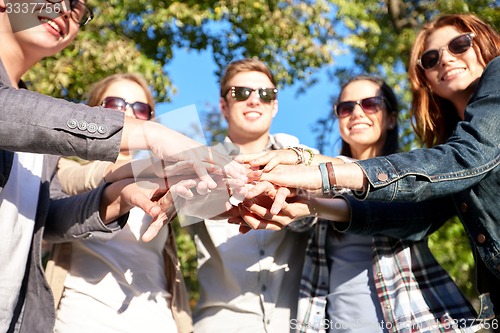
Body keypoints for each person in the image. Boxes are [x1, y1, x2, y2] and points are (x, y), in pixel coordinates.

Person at [0, 3, 244, 332]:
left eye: (78, 9)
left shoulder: (39, 145)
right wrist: (146, 138)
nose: (66, 13)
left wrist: (118, 197)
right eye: (115, 108)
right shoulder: (41, 129)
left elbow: (50, 219)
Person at [243, 13, 500, 318]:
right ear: (425, 80)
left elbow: (469, 153)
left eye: (459, 44)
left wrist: (315, 167)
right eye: (430, 58)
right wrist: (312, 204)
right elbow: (420, 217)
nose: (445, 59)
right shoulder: (443, 150)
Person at [293, 76, 477, 332]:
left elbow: (413, 216)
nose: (356, 113)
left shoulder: (414, 177)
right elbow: (296, 220)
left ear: (391, 118)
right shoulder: (321, 179)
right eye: (346, 108)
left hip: (415, 322)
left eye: (369, 104)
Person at [44, 73, 191, 333]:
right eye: (115, 105)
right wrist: (152, 168)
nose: (129, 115)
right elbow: (86, 176)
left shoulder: (161, 184)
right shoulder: (64, 170)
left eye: (140, 108)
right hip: (80, 322)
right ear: (92, 112)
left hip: (158, 323)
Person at [188, 58, 318, 332]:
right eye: (241, 93)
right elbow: (183, 201)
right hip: (220, 324)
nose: (254, 100)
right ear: (224, 106)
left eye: (266, 94)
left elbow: (343, 179)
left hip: (294, 323)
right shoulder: (199, 165)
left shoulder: (301, 157)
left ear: (275, 105)